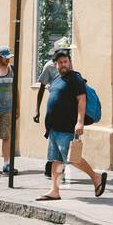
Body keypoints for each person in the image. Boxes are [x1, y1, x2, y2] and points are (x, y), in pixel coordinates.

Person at [37, 48, 107, 201]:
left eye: (66, 62)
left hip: (67, 127)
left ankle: (96, 177)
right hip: (54, 129)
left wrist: (80, 122)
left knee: (72, 158)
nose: (63, 65)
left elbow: (82, 100)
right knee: (56, 159)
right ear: (55, 64)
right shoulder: (56, 80)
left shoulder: (75, 78)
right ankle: (54, 191)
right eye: (60, 62)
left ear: (70, 62)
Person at [33, 37, 70, 123]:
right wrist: (37, 110)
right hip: (56, 103)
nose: (67, 53)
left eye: (68, 51)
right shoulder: (49, 66)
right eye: (65, 51)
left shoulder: (69, 65)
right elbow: (42, 88)